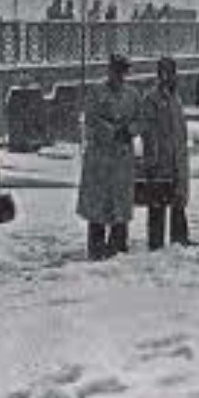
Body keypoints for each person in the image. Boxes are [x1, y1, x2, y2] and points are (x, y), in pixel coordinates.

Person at [77, 54, 142, 260]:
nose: (119, 77)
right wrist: (112, 131)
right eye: (116, 71)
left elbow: (141, 119)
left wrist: (130, 131)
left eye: (122, 72)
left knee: (119, 208)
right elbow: (91, 119)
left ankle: (118, 247)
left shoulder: (132, 95)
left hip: (122, 158)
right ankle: (96, 249)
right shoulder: (97, 93)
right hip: (100, 158)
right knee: (98, 207)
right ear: (109, 71)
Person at [141, 57, 195, 250]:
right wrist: (152, 159)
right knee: (158, 203)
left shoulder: (175, 98)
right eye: (166, 73)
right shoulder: (152, 99)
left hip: (176, 158)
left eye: (172, 73)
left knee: (178, 198)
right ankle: (156, 242)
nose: (170, 77)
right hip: (160, 159)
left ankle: (179, 237)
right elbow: (148, 132)